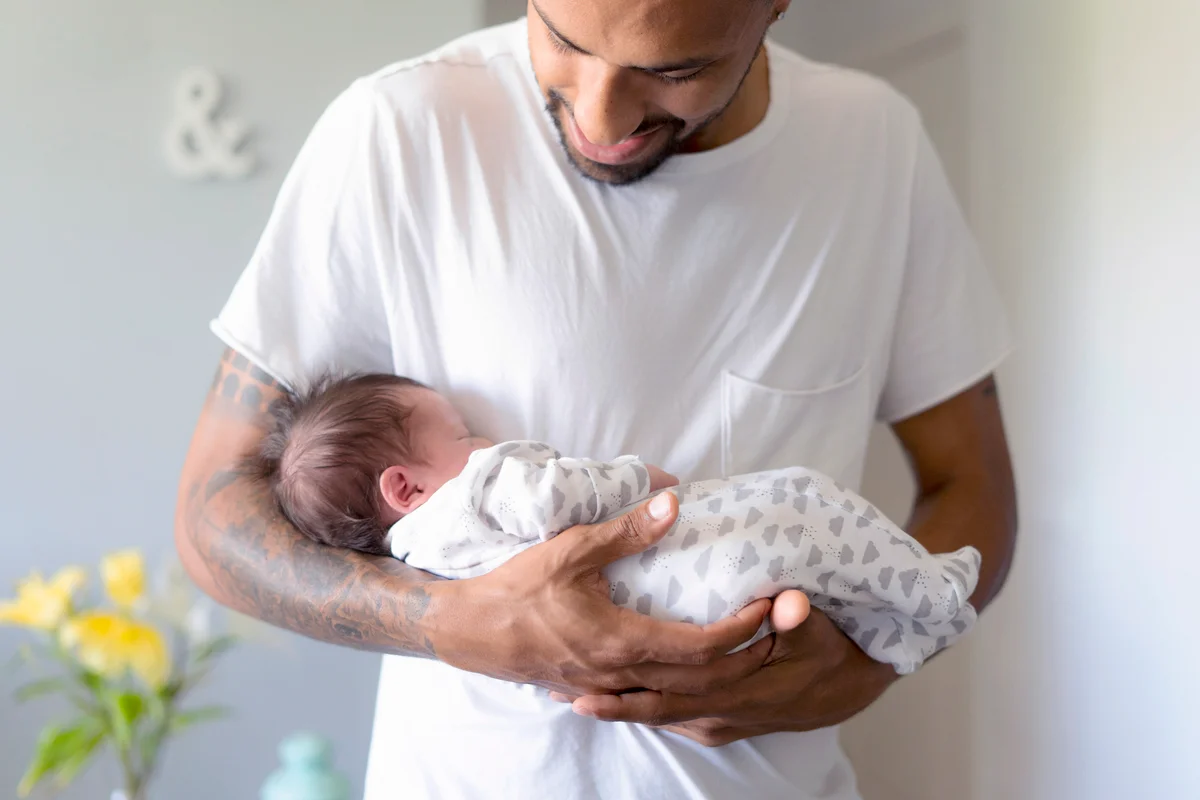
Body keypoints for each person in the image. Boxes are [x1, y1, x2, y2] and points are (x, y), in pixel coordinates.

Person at [174, 0, 1018, 795]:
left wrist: (862, 672)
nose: (601, 117)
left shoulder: (875, 146)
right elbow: (212, 519)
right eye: (565, 40)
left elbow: (970, 488)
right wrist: (456, 622)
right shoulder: (400, 133)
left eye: (676, 69)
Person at [246, 372, 982, 674]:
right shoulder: (477, 488)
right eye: (459, 430)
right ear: (405, 484)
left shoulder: (421, 561)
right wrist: (635, 479)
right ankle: (931, 597)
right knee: (807, 505)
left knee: (806, 580)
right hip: (680, 559)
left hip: (650, 625)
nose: (475, 440)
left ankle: (893, 629)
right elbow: (550, 498)